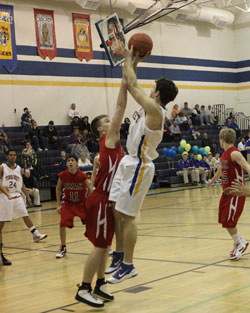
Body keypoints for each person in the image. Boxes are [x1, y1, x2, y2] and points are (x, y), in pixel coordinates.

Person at [106, 46, 178, 284]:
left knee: (127, 217)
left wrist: (129, 59)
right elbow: (132, 82)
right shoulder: (150, 105)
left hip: (140, 165)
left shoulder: (155, 111)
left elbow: (134, 87)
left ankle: (129, 265)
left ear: (157, 93)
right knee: (116, 210)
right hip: (128, 161)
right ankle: (118, 255)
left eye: (154, 87)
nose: (150, 88)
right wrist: (134, 62)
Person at [75, 66, 128, 308]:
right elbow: (120, 107)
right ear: (101, 129)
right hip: (101, 198)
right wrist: (126, 79)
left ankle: (100, 283)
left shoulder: (114, 143)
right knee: (100, 246)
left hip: (108, 198)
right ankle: (84, 288)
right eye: (107, 121)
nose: (113, 121)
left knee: (105, 244)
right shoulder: (109, 138)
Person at [207, 128, 250, 260]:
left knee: (229, 221)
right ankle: (239, 242)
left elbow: (247, 167)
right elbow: (221, 169)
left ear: (222, 139)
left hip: (236, 192)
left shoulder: (235, 153)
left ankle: (240, 243)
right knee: (224, 220)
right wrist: (212, 180)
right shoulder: (225, 154)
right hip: (226, 193)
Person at [0, 150, 47, 265]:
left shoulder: (19, 168)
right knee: (2, 222)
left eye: (14, 155)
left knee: (25, 214)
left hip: (17, 195)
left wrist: (27, 196)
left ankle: (35, 234)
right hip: (6, 196)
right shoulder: (2, 167)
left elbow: (21, 184)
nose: (13, 157)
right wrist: (6, 194)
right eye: (10, 155)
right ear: (7, 156)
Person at [56, 155, 92, 258]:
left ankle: (101, 245)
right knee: (62, 224)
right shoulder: (62, 175)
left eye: (72, 160)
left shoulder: (82, 176)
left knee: (92, 223)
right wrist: (58, 204)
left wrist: (90, 202)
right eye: (68, 161)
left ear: (77, 163)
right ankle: (63, 247)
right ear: (66, 163)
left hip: (81, 204)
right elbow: (58, 189)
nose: (70, 162)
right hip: (68, 204)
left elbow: (90, 189)